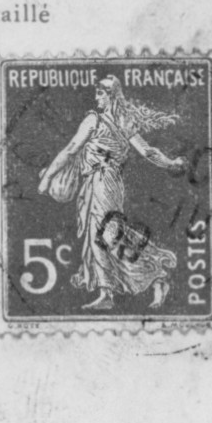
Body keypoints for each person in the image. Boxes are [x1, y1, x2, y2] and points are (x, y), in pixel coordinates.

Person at [37, 75, 186, 311]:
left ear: (111, 96)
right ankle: (108, 292)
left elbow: (71, 149)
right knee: (100, 237)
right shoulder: (119, 121)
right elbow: (147, 152)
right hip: (102, 182)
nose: (96, 97)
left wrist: (46, 179)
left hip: (103, 182)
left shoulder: (94, 120)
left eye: (100, 93)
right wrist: (170, 162)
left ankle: (156, 274)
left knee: (107, 236)